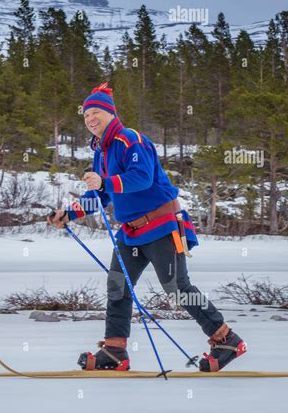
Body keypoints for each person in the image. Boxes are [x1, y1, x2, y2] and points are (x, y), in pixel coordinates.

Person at [47, 83, 247, 372]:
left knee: (177, 288)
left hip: (162, 225)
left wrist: (105, 182)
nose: (90, 119)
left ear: (110, 113)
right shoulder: (101, 152)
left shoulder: (131, 140)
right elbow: (102, 197)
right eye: (86, 114)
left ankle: (227, 340)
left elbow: (140, 178)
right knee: (117, 287)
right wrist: (69, 214)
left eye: (96, 112)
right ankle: (115, 352)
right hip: (130, 233)